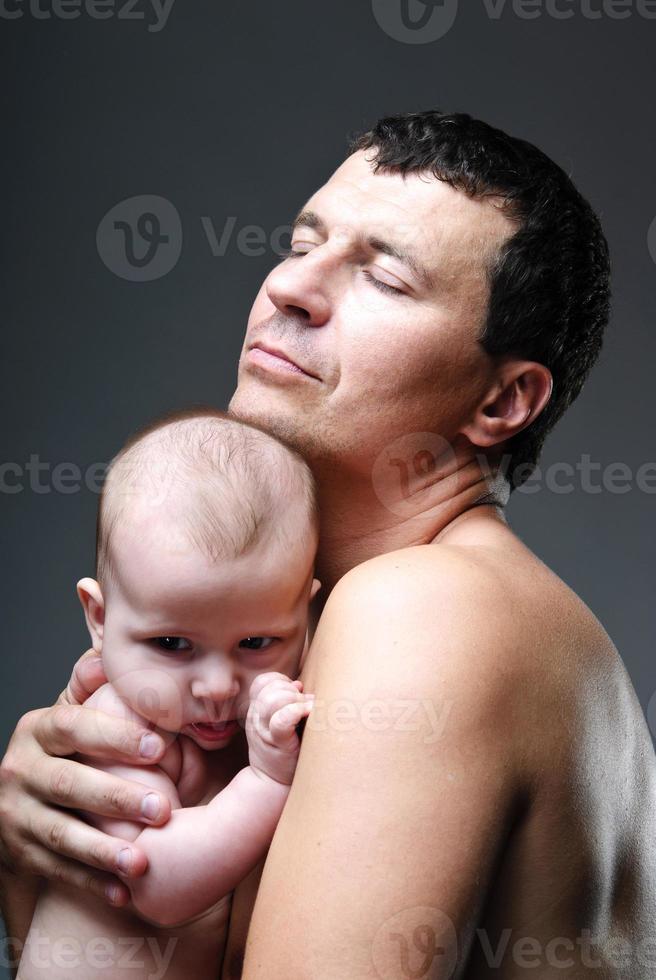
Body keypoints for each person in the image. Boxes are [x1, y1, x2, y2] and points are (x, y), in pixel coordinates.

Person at [2, 109, 655, 979]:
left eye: (384, 278)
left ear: (502, 403)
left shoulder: (428, 608)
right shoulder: (263, 646)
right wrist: (34, 856)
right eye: (301, 243)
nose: (290, 289)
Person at [17, 408, 320, 978]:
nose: (217, 687)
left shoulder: (243, 722)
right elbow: (157, 883)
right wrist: (266, 780)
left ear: (305, 610)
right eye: (173, 643)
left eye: (256, 641)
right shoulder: (120, 728)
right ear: (100, 620)